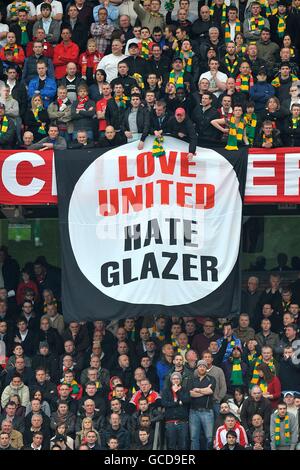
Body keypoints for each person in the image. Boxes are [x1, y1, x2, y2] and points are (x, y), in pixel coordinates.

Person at [188, 359, 216, 450]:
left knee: (209, 437)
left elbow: (210, 391)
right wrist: (204, 391)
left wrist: (198, 390)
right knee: (194, 438)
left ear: (206, 368)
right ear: (197, 368)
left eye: (204, 366)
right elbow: (191, 393)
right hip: (193, 412)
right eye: (200, 366)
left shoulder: (211, 379)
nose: (202, 368)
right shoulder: (192, 379)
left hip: (207, 411)